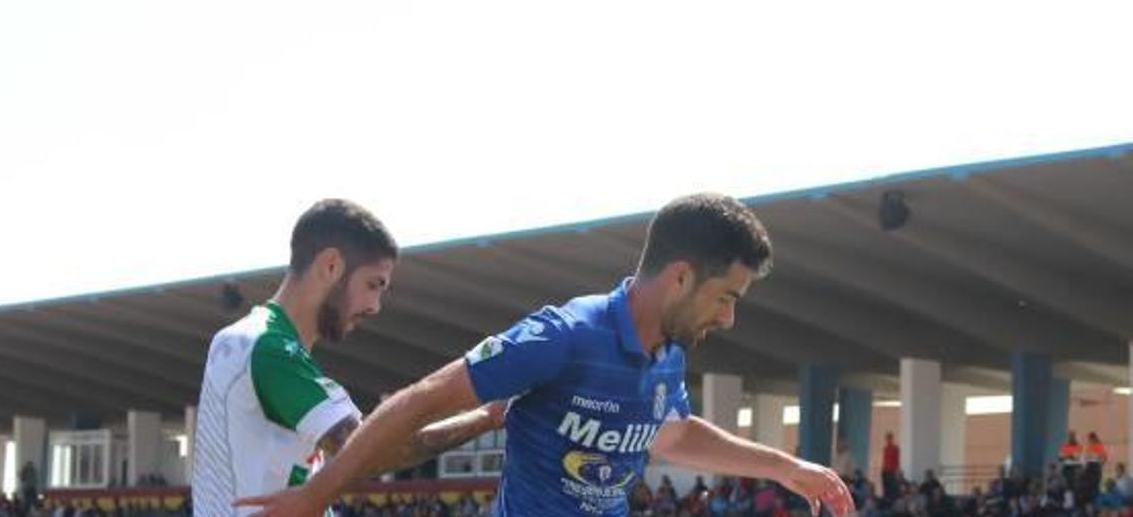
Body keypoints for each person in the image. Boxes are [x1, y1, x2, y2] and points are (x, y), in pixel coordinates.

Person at [236, 193, 854, 517]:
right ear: (682, 278)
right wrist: (318, 497)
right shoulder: (562, 337)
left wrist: (784, 468)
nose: (729, 317)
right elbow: (418, 402)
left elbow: (671, 433)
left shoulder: (666, 355)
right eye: (725, 297)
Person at [192, 198, 500, 516]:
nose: (375, 306)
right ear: (331, 266)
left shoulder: (243, 341)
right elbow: (367, 450)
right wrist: (486, 417)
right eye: (373, 284)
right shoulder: (268, 348)